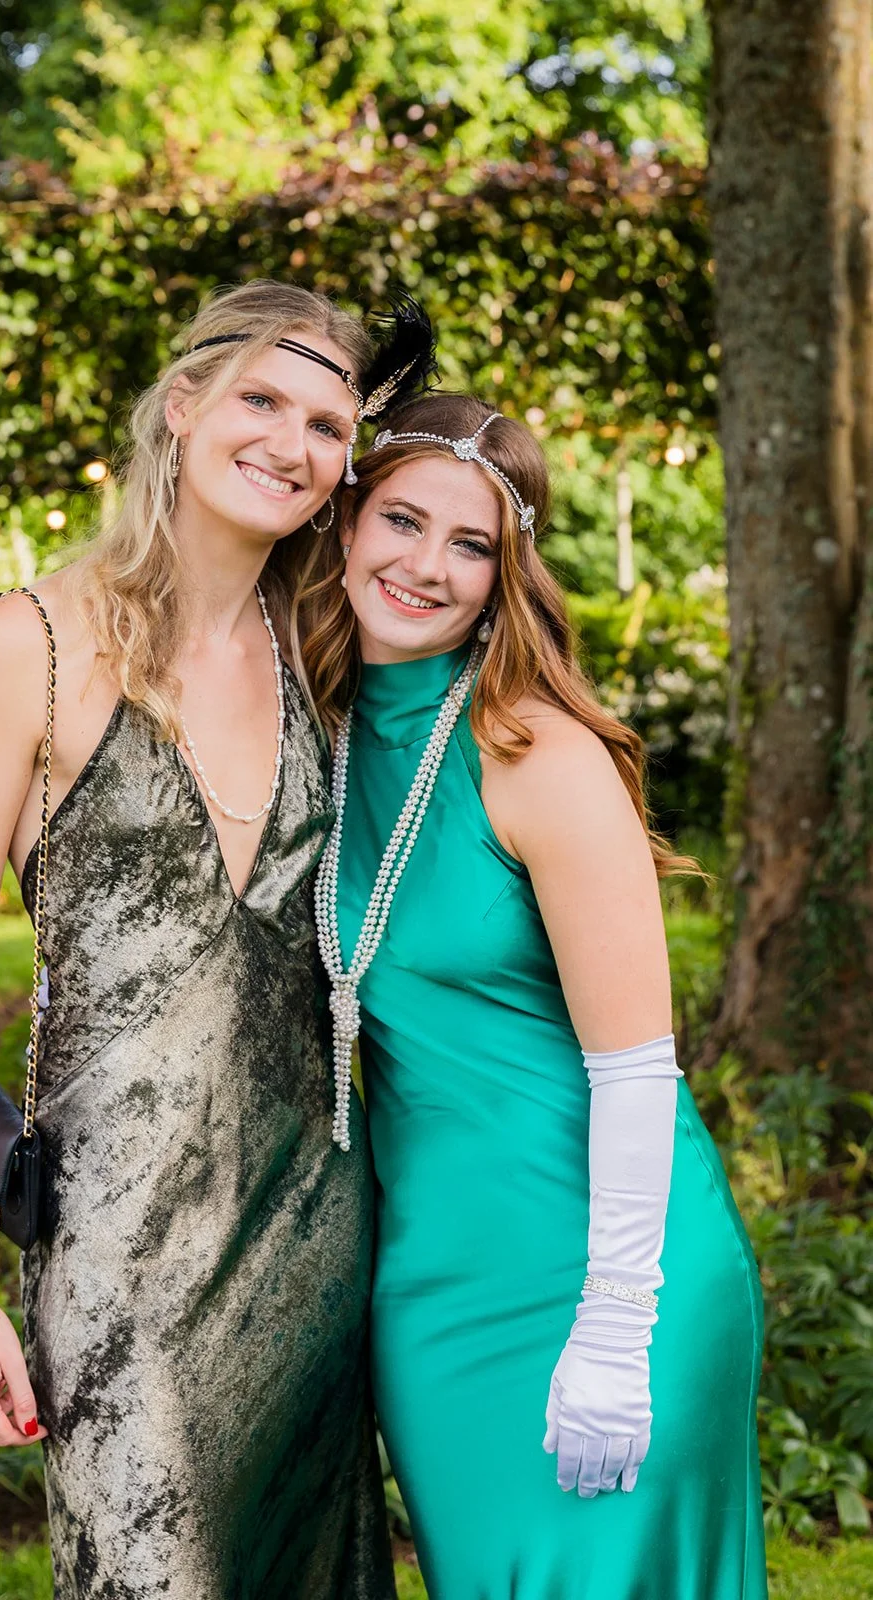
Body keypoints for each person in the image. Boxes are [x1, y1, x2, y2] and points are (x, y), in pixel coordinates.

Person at [0, 279, 429, 1599]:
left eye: (327, 425)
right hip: (116, 1261)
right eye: (262, 399)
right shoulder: (28, 647)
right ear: (182, 407)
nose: (293, 444)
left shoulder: (326, 650)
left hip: (312, 1244)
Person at [297, 392, 767, 1599]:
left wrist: (615, 1323)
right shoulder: (315, 735)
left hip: (603, 1266)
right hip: (431, 1285)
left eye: (470, 545)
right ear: (344, 521)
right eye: (401, 520)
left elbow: (631, 1069)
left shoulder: (537, 754)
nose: (425, 566)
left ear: (506, 575)